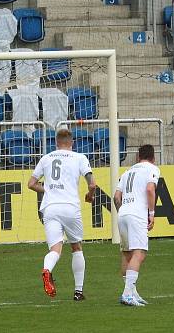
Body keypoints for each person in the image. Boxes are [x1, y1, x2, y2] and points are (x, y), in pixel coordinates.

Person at [27, 128, 96, 301]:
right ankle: (78, 292)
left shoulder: (47, 158)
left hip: (50, 208)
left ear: (56, 143)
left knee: (55, 249)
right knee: (76, 247)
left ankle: (47, 270)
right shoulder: (79, 158)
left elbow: (31, 183)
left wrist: (48, 189)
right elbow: (92, 184)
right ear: (71, 143)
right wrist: (90, 195)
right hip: (70, 207)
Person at [113, 144, 159, 307]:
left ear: (138, 157)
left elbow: (116, 197)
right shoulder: (152, 168)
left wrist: (122, 212)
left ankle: (132, 292)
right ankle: (127, 294)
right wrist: (151, 214)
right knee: (139, 254)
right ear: (153, 158)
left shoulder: (127, 171)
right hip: (137, 214)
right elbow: (149, 189)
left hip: (123, 213)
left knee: (127, 254)